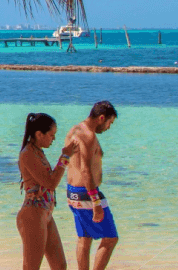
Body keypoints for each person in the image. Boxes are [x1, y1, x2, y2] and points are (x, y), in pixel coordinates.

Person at [17, 113, 78, 270]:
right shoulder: (28, 154)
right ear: (39, 134)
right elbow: (50, 183)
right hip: (33, 214)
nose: (54, 139)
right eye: (51, 135)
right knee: (32, 267)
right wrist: (64, 157)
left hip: (45, 214)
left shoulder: (38, 152)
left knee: (60, 266)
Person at [64, 101, 118, 270]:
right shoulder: (88, 136)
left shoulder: (75, 129)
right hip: (87, 193)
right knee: (110, 239)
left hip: (73, 192)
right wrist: (96, 202)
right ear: (101, 118)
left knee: (85, 238)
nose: (109, 128)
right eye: (109, 123)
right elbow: (85, 170)